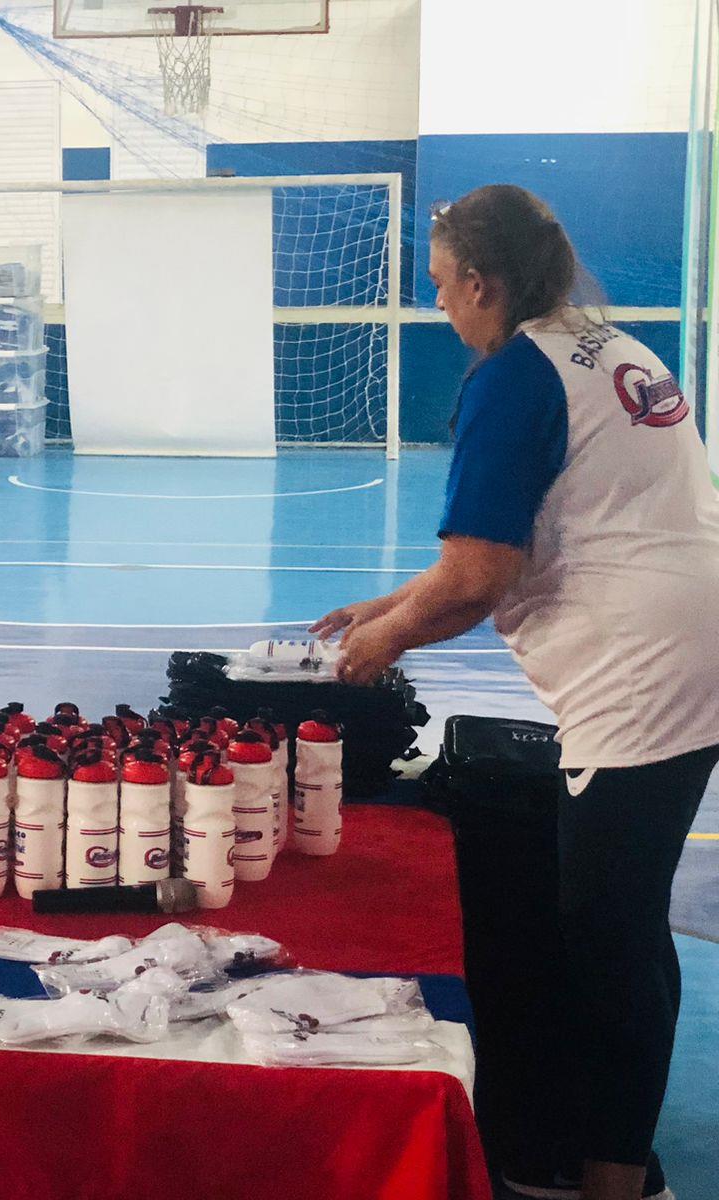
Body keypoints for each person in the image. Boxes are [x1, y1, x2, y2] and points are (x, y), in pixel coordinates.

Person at [313, 184, 716, 1200]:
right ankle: (596, 1145)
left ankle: (612, 1178)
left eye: (444, 288)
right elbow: (501, 543)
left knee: (608, 928)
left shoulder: (511, 378)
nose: (441, 309)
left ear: (482, 284)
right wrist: (386, 603)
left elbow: (480, 577)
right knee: (620, 913)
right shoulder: (603, 347)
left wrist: (379, 647)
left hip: (642, 674)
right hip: (691, 641)